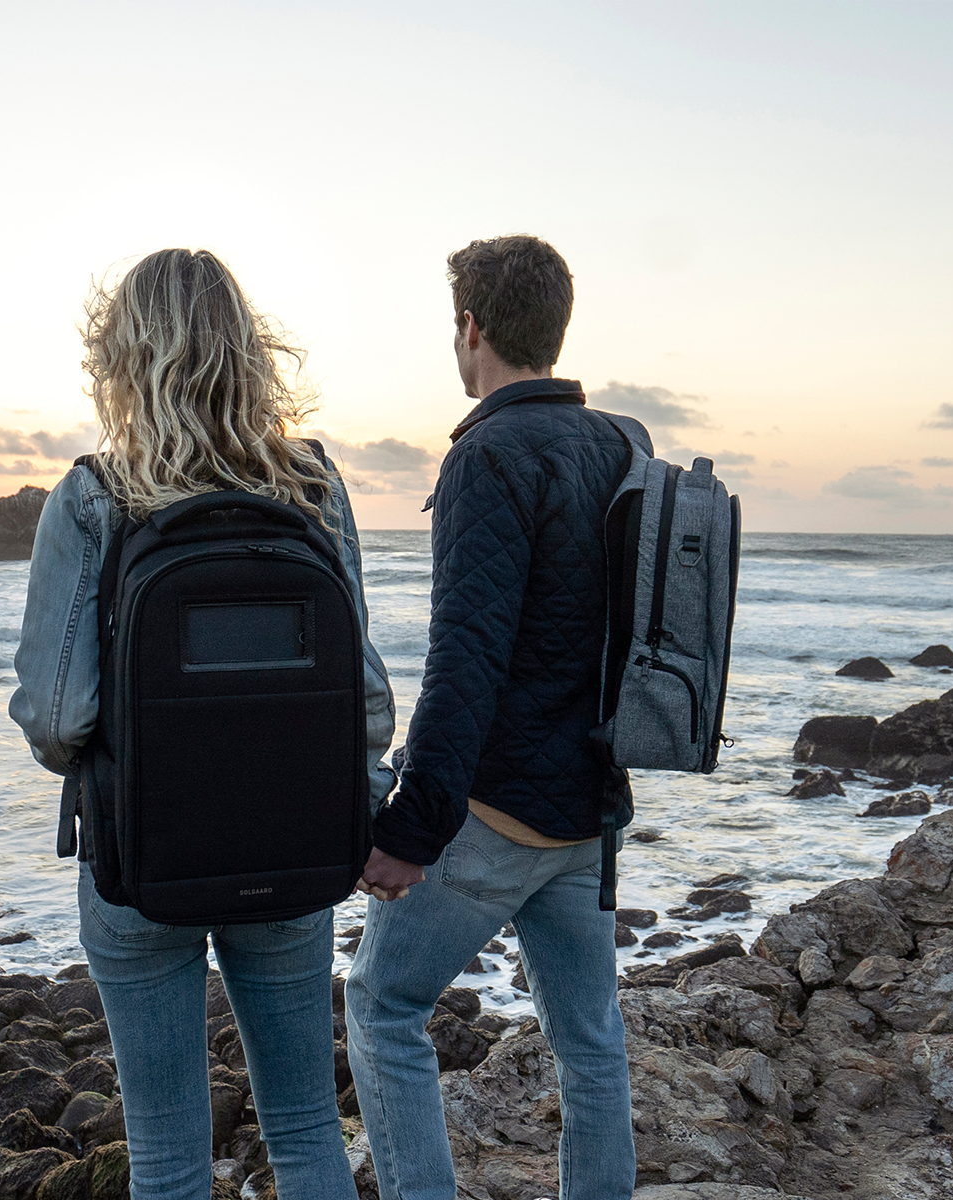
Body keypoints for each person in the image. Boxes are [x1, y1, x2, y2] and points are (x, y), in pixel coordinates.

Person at [11, 248, 396, 1200]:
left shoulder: (95, 497)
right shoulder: (314, 485)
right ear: (249, 351)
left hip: (141, 859)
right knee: (307, 1129)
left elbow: (59, 720)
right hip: (296, 849)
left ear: (122, 357)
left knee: (169, 1158)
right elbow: (369, 704)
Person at [346, 235, 640, 1199]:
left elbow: (464, 664)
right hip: (589, 809)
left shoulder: (488, 456)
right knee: (592, 1045)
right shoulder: (619, 449)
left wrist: (412, 829)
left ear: (471, 329)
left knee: (382, 1007)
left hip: (500, 814)